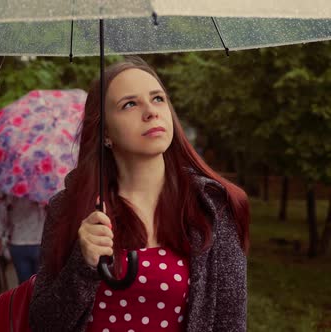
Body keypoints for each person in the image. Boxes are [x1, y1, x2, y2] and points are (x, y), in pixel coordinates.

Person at [29, 56, 250, 332]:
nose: (150, 112)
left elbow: (230, 324)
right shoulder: (69, 209)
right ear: (105, 132)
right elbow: (42, 324)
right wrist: (83, 264)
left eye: (158, 99)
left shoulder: (211, 208)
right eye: (130, 104)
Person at [0, 191, 47, 284]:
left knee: (24, 287)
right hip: (41, 241)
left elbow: (0, 213)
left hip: (17, 242)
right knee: (43, 286)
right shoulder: (45, 185)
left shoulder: (8, 186)